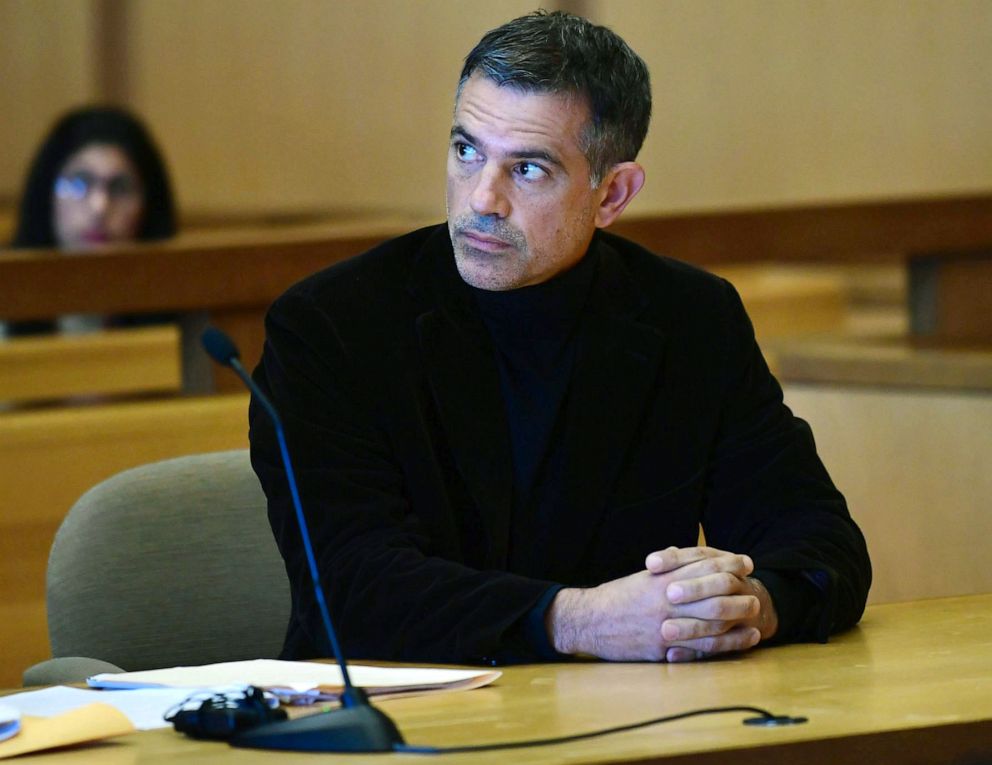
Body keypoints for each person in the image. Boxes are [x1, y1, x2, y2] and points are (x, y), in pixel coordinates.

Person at [249, 10, 871, 666]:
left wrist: (744, 608)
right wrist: (576, 620)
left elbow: (822, 544)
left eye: (528, 170)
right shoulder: (329, 326)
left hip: (629, 721)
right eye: (466, 151)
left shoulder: (691, 318)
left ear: (612, 194)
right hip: (395, 721)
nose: (482, 199)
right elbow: (350, 592)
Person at [5, 106, 177, 336]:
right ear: (45, 196)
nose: (99, 207)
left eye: (121, 187)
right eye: (79, 184)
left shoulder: (183, 306)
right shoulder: (5, 294)